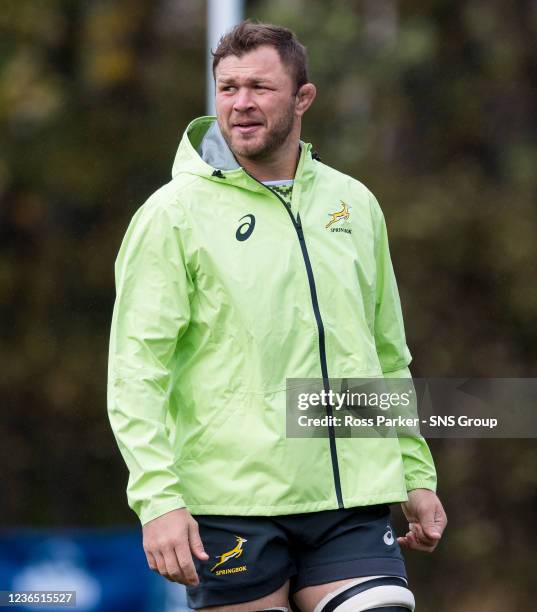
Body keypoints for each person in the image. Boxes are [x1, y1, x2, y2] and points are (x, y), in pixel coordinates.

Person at [107, 20, 447, 612]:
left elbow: (386, 354)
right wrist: (158, 500)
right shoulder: (172, 215)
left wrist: (415, 474)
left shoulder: (354, 204)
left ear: (302, 98)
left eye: (260, 88)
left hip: (350, 500)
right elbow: (136, 371)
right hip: (231, 506)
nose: (240, 104)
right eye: (228, 87)